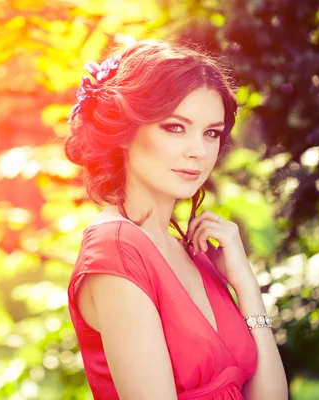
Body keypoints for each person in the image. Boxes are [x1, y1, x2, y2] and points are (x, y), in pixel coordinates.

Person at [64, 39, 288, 400]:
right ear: (125, 130)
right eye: (175, 127)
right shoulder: (117, 251)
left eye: (211, 133)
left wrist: (246, 286)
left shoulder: (191, 250)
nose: (198, 151)